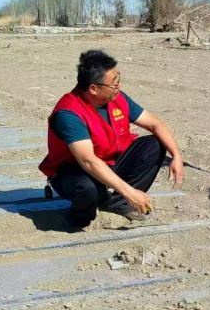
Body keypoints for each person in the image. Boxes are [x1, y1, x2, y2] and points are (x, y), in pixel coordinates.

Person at [39, 50, 185, 231]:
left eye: (118, 79)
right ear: (93, 88)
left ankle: (118, 204)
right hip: (73, 172)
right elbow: (88, 162)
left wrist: (176, 156)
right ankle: (78, 219)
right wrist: (130, 192)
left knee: (154, 145)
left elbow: (155, 124)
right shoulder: (69, 114)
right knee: (89, 190)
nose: (118, 85)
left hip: (109, 161)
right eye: (113, 83)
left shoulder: (117, 98)